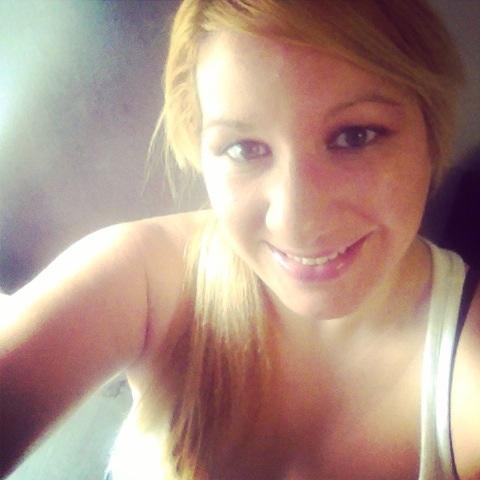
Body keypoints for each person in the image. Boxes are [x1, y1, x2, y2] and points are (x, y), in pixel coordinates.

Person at [1, 1, 479, 479]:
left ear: (430, 134)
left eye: (355, 136)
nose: (297, 220)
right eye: (244, 148)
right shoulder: (145, 278)